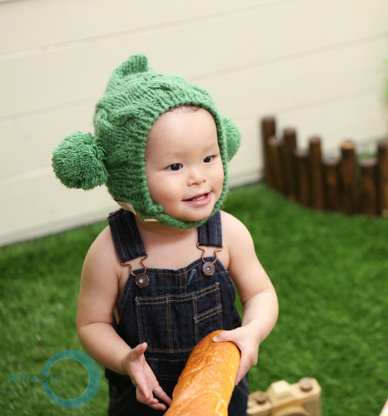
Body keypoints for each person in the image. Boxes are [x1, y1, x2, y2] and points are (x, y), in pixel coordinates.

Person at [52, 53, 279, 415]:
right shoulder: (111, 252)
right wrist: (126, 360)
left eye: (209, 157)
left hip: (219, 389)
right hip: (145, 396)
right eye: (175, 166)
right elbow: (92, 324)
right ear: (131, 177)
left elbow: (262, 293)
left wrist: (252, 332)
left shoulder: (229, 234)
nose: (198, 176)